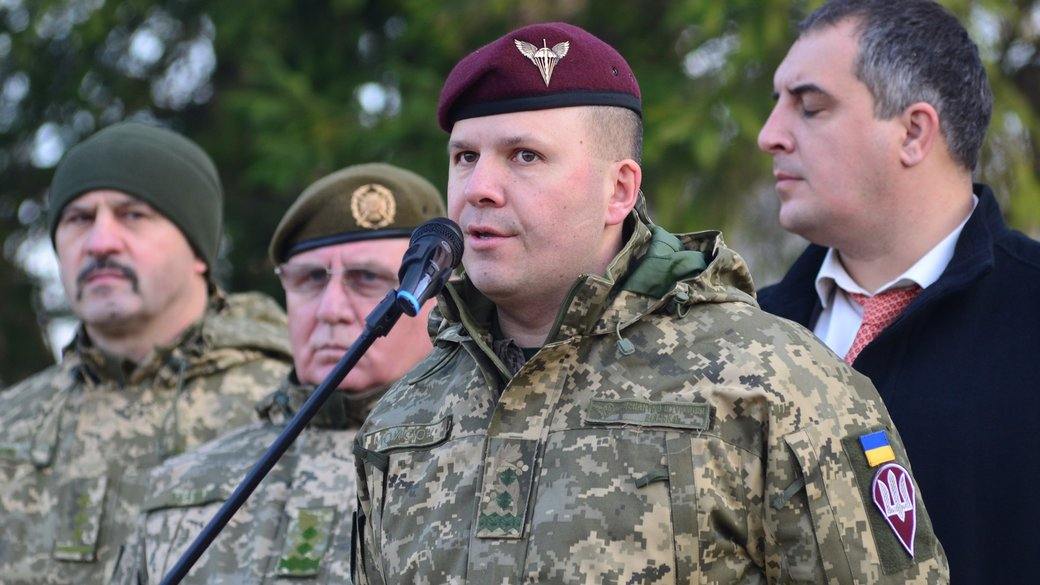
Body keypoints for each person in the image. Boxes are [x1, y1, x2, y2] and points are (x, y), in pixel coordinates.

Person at [352, 22, 948, 585]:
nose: (480, 188)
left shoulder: (777, 383)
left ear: (618, 191)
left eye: (524, 156)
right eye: (465, 157)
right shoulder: (403, 416)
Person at [756, 1, 1040, 582]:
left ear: (913, 132)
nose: (769, 136)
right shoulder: (746, 332)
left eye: (810, 107)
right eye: (777, 104)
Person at [110, 163, 445, 583]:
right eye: (310, 279)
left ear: (435, 295)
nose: (330, 310)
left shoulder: (472, 466)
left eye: (367, 278)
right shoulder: (183, 483)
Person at [0, 122, 293, 583]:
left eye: (133, 215)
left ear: (199, 251)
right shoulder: (12, 424)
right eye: (78, 219)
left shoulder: (288, 409)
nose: (100, 243)